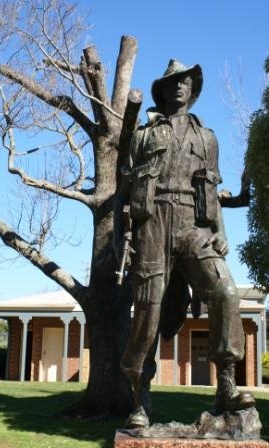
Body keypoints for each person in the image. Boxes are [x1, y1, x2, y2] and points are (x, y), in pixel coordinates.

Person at [113, 59, 255, 429]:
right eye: (174, 81)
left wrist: (221, 231)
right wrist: (119, 241)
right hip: (154, 224)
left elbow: (209, 189)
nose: (180, 86)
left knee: (225, 291)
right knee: (148, 312)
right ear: (163, 90)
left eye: (187, 81)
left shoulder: (207, 138)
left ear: (193, 90)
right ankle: (139, 400)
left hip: (194, 225)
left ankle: (225, 385)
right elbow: (123, 194)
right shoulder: (144, 135)